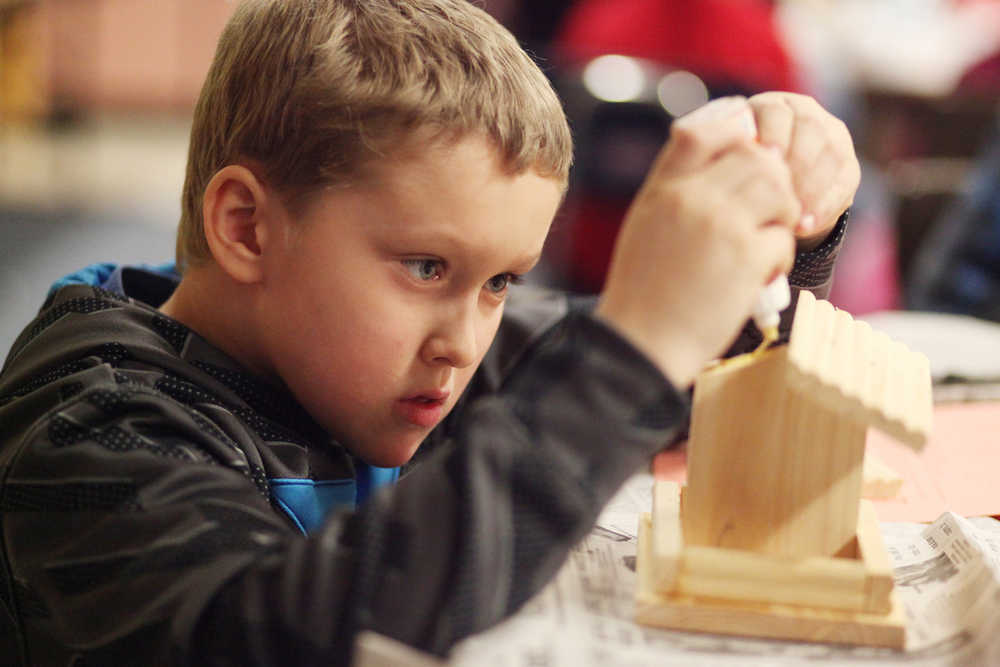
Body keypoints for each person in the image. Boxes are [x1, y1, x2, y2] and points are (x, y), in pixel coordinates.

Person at [0, 1, 859, 665]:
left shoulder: (394, 357)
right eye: (425, 268)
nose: (466, 339)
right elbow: (288, 636)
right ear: (249, 228)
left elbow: (691, 384)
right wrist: (632, 347)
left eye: (501, 281)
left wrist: (792, 230)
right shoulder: (92, 428)